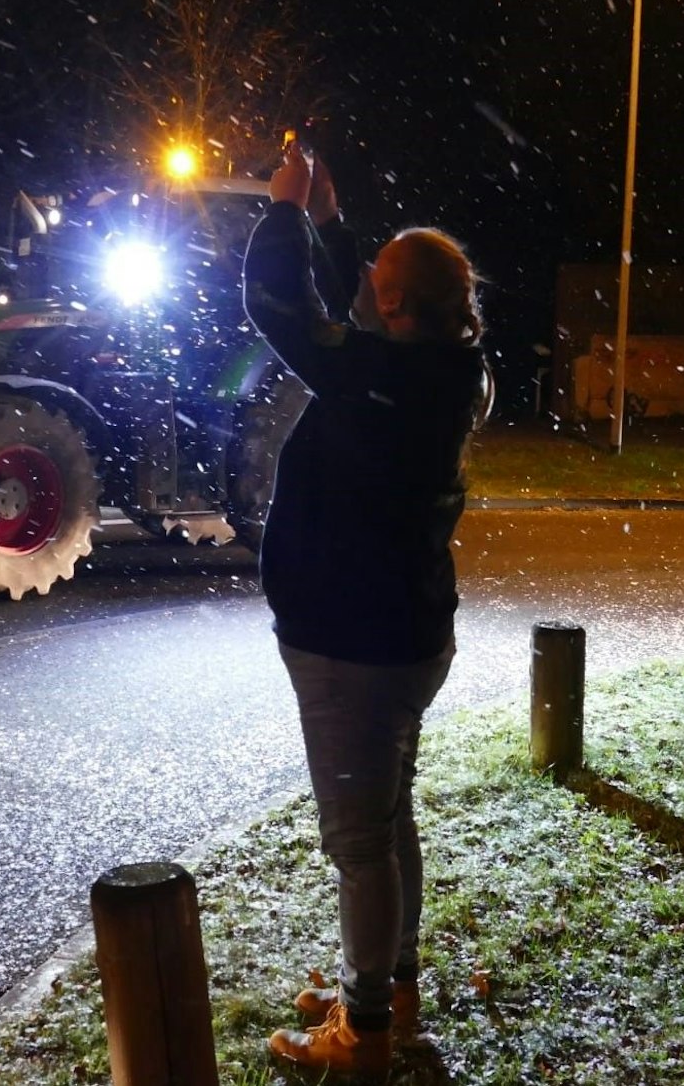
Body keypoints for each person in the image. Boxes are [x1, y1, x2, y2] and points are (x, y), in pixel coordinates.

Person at [242, 137, 491, 1079]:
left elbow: (281, 310)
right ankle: (387, 990)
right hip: (398, 632)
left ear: (396, 308)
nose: (366, 292)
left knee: (358, 845)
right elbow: (353, 320)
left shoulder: (387, 378)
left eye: (378, 278)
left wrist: (283, 215)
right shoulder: (438, 366)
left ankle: (365, 1039)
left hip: (355, 645)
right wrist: (331, 225)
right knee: (386, 825)